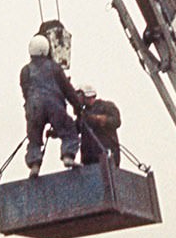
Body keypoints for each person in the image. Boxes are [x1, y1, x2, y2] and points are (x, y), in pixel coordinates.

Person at [20, 33, 82, 176]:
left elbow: (25, 91)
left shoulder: (25, 70)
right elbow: (68, 90)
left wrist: (30, 109)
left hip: (34, 107)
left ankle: (34, 164)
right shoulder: (54, 67)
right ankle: (68, 156)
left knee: (34, 138)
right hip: (54, 105)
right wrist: (78, 107)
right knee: (69, 130)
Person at [77, 86, 122, 166]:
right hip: (88, 159)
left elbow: (116, 121)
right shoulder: (83, 114)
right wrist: (57, 131)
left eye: (80, 97)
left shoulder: (106, 106)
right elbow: (73, 128)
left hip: (106, 153)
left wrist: (102, 119)